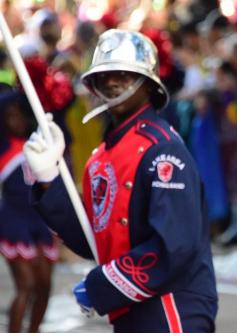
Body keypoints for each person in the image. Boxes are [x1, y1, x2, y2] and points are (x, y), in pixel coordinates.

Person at [23, 29, 218, 332]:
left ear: (148, 84)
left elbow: (173, 246)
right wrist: (49, 179)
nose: (112, 82)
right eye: (105, 75)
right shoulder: (100, 157)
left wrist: (103, 285)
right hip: (129, 307)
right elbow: (95, 240)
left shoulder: (162, 149)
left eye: (125, 75)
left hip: (171, 308)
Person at [0, 86, 58, 333]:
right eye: (11, 115)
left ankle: (33, 330)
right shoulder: (2, 147)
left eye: (20, 113)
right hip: (14, 221)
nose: (18, 119)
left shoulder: (35, 142)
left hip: (39, 220)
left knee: (44, 287)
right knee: (27, 286)